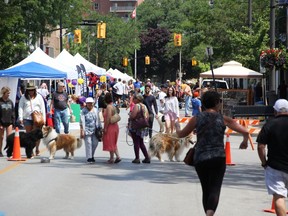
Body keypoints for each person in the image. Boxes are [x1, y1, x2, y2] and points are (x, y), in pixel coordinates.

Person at [175, 90, 249, 216]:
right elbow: (245, 131)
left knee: (206, 189)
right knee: (215, 189)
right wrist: (245, 142)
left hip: (201, 158)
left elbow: (181, 134)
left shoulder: (196, 118)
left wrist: (177, 126)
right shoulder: (223, 118)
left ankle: (208, 214)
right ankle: (210, 214)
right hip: (218, 157)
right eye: (220, 101)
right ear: (216, 103)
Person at [257, 99, 288, 216]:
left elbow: (261, 146)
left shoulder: (269, 124)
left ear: (275, 111)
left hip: (275, 167)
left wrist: (264, 162)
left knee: (279, 197)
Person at [18, 82, 46, 156]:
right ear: (27, 90)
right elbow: (20, 107)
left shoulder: (39, 97)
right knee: (29, 135)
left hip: (37, 119)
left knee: (37, 135)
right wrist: (20, 117)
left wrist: (44, 119)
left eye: (32, 90)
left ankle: (37, 148)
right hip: (27, 118)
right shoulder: (23, 97)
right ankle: (31, 150)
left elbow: (43, 108)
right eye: (29, 90)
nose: (31, 91)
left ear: (34, 90)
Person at [129, 93, 150, 164]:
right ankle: (147, 157)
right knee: (141, 142)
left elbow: (133, 116)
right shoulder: (144, 106)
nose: (133, 99)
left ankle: (137, 158)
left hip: (136, 126)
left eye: (134, 98)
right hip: (143, 126)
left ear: (137, 99)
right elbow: (147, 116)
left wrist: (130, 115)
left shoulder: (136, 106)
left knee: (136, 142)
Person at [80, 97, 101, 164]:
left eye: (91, 103)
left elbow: (98, 120)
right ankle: (89, 157)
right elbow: (81, 121)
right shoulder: (83, 111)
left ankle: (92, 155)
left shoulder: (95, 110)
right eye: (88, 103)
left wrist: (100, 128)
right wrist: (82, 131)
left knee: (95, 143)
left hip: (95, 130)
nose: (89, 104)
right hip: (86, 129)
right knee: (88, 143)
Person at [102, 92, 121, 164]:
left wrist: (105, 128)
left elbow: (108, 118)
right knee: (113, 142)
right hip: (115, 126)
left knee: (110, 141)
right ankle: (115, 157)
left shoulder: (109, 107)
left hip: (110, 126)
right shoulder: (113, 106)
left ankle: (113, 158)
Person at [0, 87, 15, 157]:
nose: (9, 94)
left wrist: (13, 122)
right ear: (4, 93)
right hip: (1, 122)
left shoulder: (10, 102)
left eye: (9, 93)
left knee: (9, 137)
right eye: (7, 93)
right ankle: (0, 151)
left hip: (9, 122)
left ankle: (9, 151)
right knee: (1, 137)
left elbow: (13, 112)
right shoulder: (0, 101)